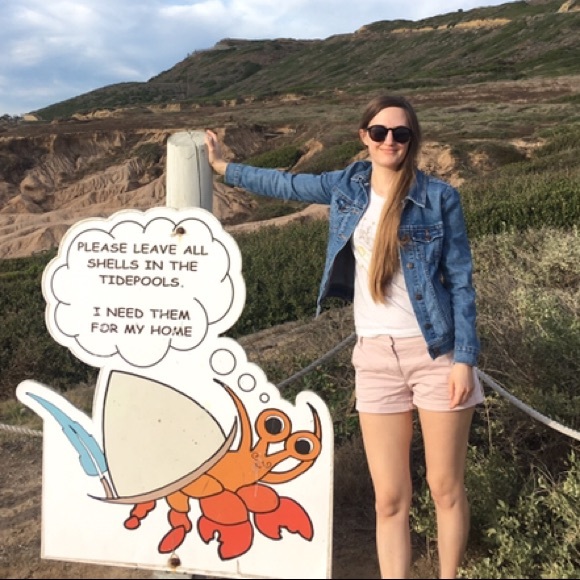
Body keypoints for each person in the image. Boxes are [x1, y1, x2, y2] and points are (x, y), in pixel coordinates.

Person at [205, 94, 484, 580]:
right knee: (389, 498)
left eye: (401, 133)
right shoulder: (348, 185)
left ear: (412, 140)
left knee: (445, 488)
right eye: (380, 132)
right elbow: (287, 184)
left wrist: (464, 358)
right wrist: (224, 168)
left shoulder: (439, 197)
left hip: (435, 354)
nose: (390, 141)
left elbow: (461, 281)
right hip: (374, 358)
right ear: (364, 136)